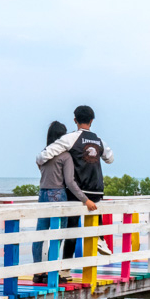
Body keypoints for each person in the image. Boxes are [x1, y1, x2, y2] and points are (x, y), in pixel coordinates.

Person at [37, 105, 114, 259]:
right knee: (93, 215)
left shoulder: (70, 138)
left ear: (75, 120)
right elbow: (110, 159)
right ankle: (100, 239)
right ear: (92, 121)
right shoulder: (99, 141)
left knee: (71, 229)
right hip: (96, 190)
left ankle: (66, 266)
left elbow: (43, 156)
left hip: (77, 191)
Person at [32, 121, 98, 284]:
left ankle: (38, 272)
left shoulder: (43, 154)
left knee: (40, 233)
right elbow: (69, 181)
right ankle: (53, 270)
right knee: (58, 235)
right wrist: (85, 199)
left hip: (43, 194)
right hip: (58, 195)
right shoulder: (65, 156)